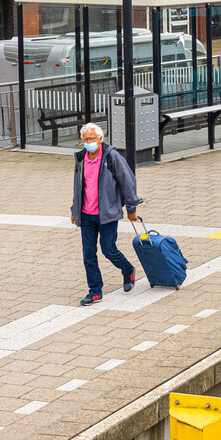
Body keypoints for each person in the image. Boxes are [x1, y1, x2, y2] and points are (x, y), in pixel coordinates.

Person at [71, 123, 141, 306]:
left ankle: (127, 269)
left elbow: (128, 182)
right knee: (88, 254)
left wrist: (131, 209)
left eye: (91, 139)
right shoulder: (81, 158)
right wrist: (74, 210)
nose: (88, 142)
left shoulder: (112, 157)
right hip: (86, 214)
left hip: (107, 213)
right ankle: (95, 291)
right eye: (85, 139)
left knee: (108, 249)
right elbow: (78, 186)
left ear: (100, 139)